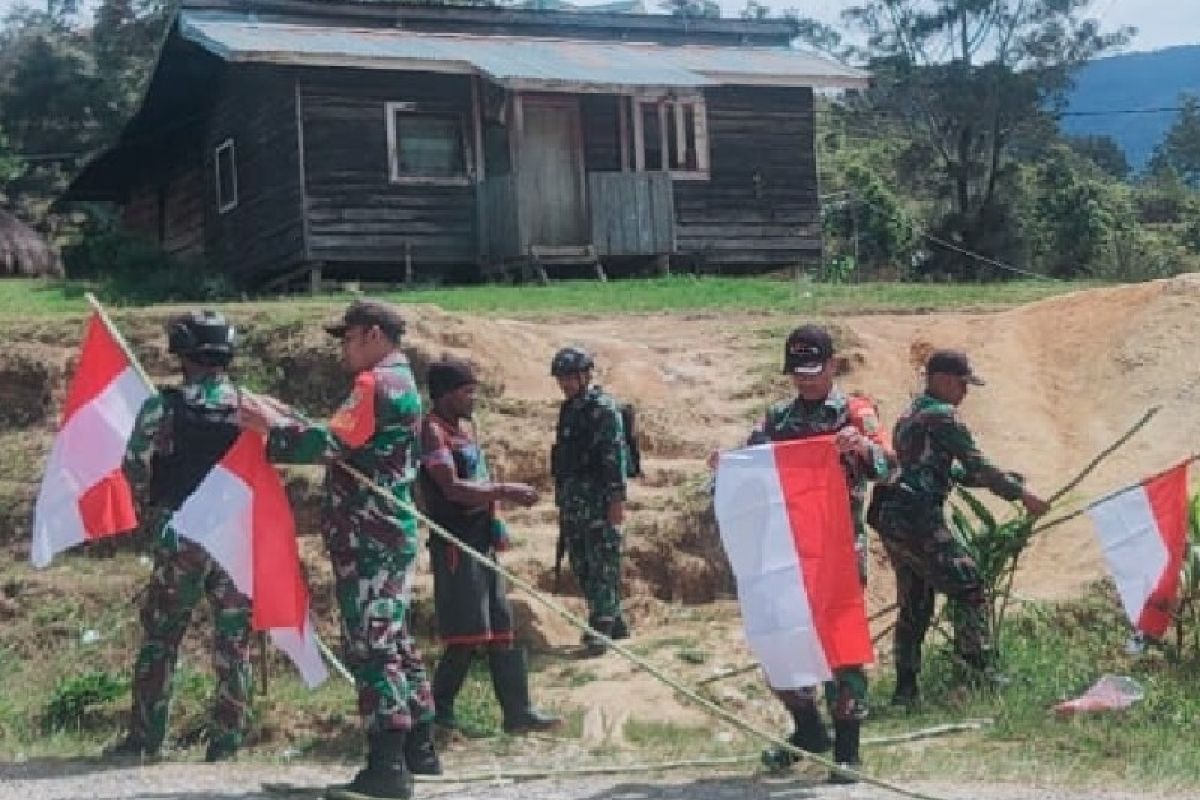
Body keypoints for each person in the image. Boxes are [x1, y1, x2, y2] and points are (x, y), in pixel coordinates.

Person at [238, 300, 436, 800]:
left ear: (372, 334)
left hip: (367, 534)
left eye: (347, 338)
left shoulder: (373, 384)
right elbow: (352, 439)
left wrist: (270, 429)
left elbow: (330, 445)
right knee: (395, 636)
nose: (343, 349)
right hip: (390, 529)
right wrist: (286, 416)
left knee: (373, 644)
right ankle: (420, 749)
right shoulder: (403, 382)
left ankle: (387, 768)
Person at [713, 324, 892, 782]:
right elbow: (753, 465)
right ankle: (810, 730)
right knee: (779, 638)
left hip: (836, 551)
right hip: (785, 553)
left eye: (814, 370)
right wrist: (728, 465)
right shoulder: (777, 419)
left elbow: (888, 468)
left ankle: (847, 752)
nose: (806, 380)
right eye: (798, 372)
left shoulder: (855, 412)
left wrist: (862, 448)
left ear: (833, 365)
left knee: (840, 648)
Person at [105, 310, 252, 764]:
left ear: (183, 355)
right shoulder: (248, 407)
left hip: (180, 536)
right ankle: (227, 742)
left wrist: (154, 512)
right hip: (233, 538)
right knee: (234, 642)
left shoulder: (163, 408)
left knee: (162, 639)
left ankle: (146, 739)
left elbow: (133, 467)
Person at [867, 349, 1050, 708]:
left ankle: (906, 691)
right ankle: (976, 673)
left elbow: (942, 469)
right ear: (942, 379)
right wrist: (1022, 495)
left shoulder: (911, 414)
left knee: (916, 602)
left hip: (891, 514)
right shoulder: (943, 417)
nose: (964, 393)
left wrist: (999, 481)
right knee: (969, 585)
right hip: (918, 516)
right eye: (962, 384)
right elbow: (976, 465)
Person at [417, 359, 562, 736]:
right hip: (456, 544)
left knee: (500, 628)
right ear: (446, 395)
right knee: (466, 634)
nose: (472, 398)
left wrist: (495, 517)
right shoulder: (432, 433)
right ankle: (440, 716)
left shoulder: (463, 431)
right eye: (466, 391)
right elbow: (451, 489)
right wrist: (506, 491)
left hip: (482, 541)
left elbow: (477, 480)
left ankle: (519, 713)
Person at [549, 347, 630, 657]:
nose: (565, 384)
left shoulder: (603, 409)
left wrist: (616, 499)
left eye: (570, 377)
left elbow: (614, 457)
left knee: (601, 562)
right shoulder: (569, 409)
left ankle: (601, 624)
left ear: (585, 376)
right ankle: (614, 621)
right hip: (573, 499)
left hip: (598, 499)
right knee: (580, 561)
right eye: (561, 378)